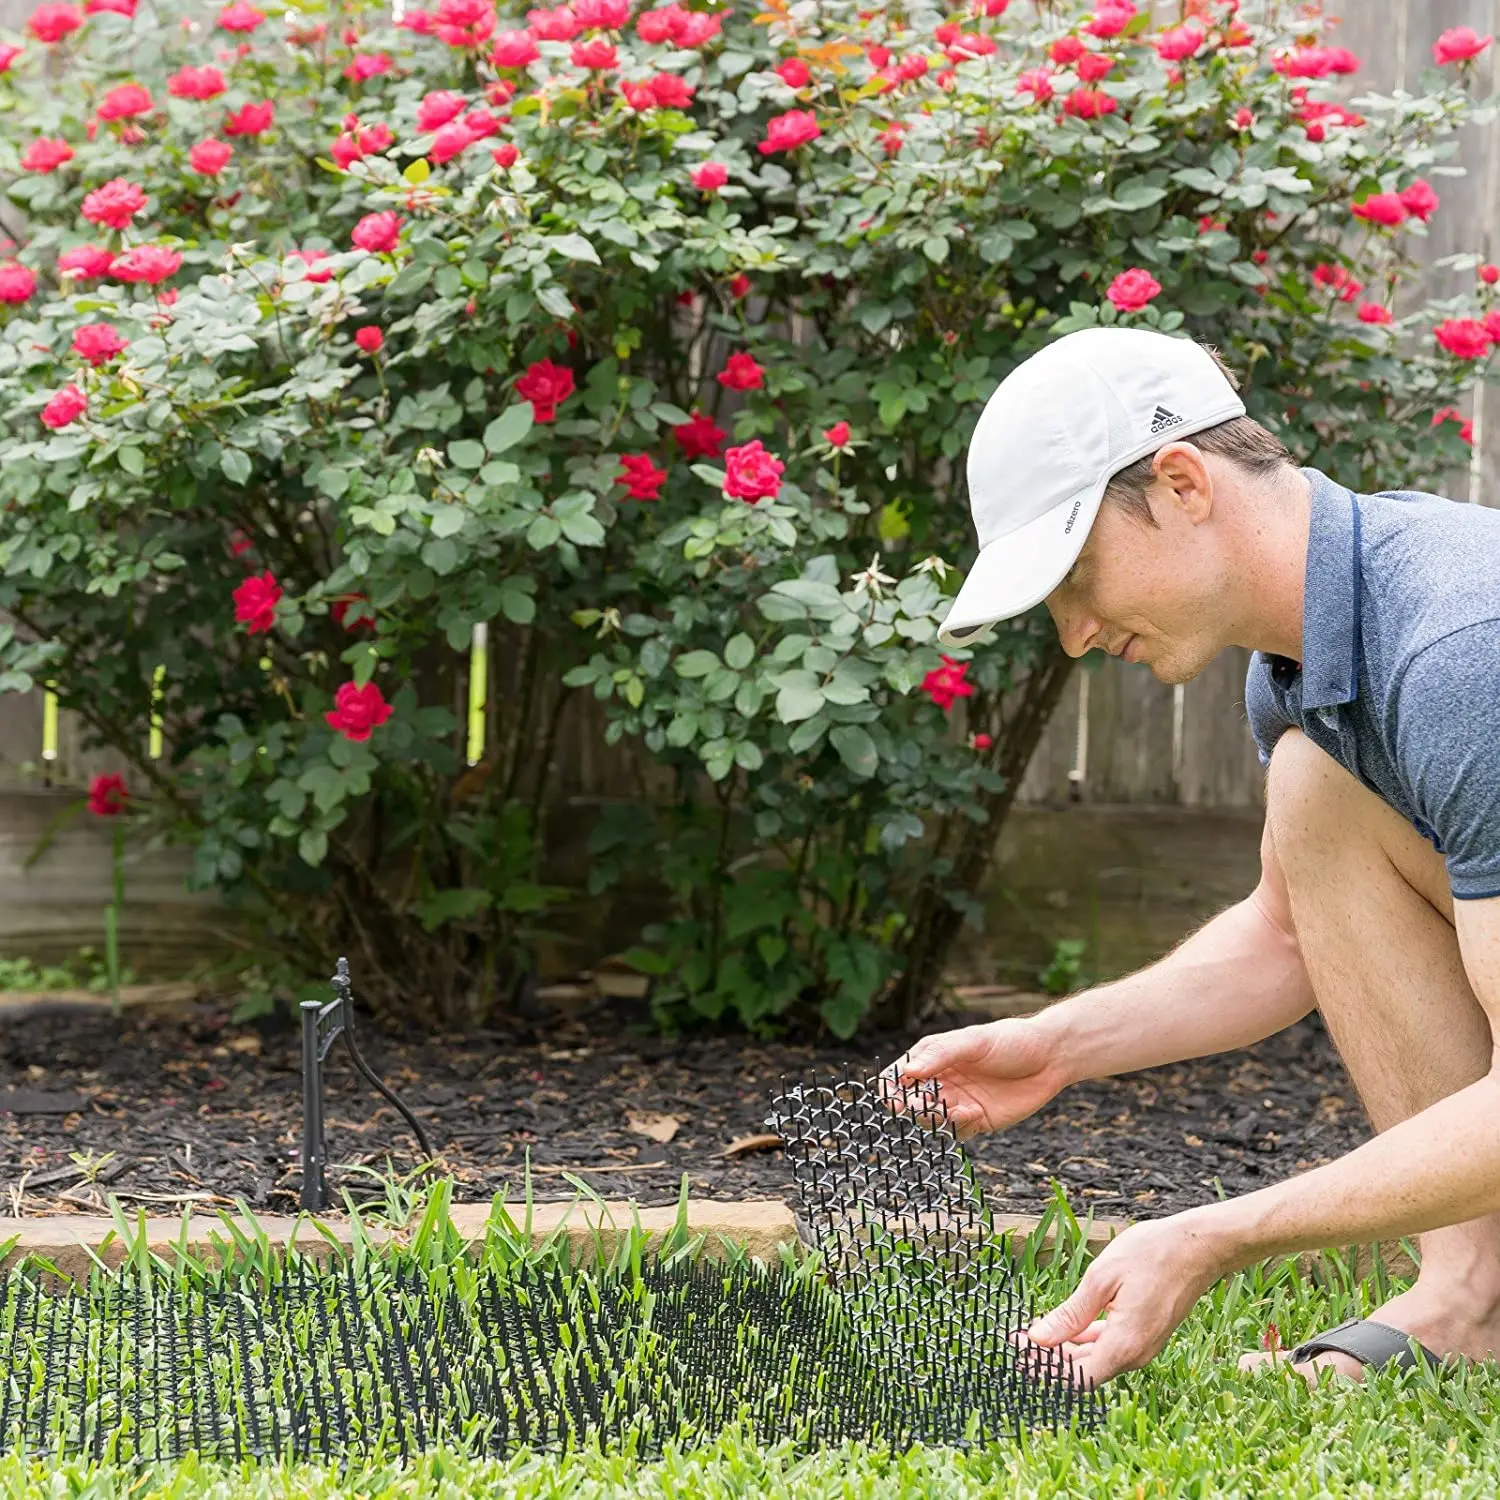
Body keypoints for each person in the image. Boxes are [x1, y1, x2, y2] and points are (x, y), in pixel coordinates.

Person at [884, 326, 1500, 1387]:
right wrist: (1058, 1046)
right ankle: (1471, 1296)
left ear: (1181, 484)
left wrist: (1215, 1234)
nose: (1073, 633)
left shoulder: (1461, 651)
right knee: (1314, 786)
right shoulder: (1305, 660)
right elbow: (1286, 935)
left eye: (1076, 574)